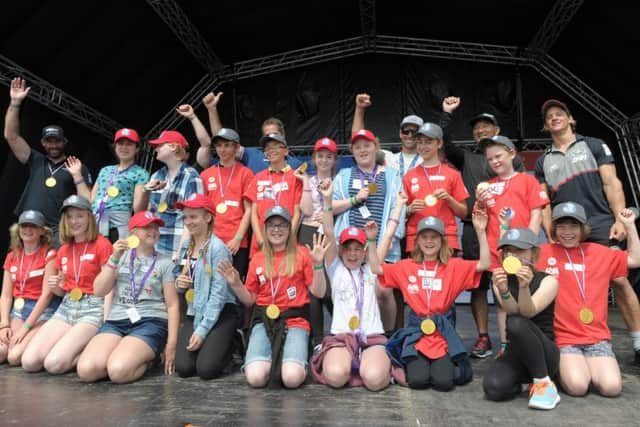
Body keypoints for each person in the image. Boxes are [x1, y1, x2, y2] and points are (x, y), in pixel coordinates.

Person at [535, 98, 640, 364]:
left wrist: (618, 219)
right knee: (562, 284)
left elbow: (611, 182)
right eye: (549, 117)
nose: (554, 118)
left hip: (600, 223)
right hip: (565, 229)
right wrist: (549, 230)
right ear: (546, 127)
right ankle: (570, 343)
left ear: (570, 119)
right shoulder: (542, 161)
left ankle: (638, 343)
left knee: (619, 281)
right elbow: (544, 201)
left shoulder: (593, 145)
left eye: (560, 114)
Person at [440, 97, 526, 359]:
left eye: (485, 126)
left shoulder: (510, 160)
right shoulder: (465, 158)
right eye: (476, 128)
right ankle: (483, 338)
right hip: (473, 230)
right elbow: (443, 140)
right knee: (478, 286)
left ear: (497, 131)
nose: (480, 131)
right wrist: (446, 115)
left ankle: (511, 340)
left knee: (509, 282)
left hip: (505, 230)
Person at [537, 202, 640, 397]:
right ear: (554, 228)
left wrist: (630, 226)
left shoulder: (598, 252)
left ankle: (582, 367)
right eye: (561, 226)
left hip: (597, 338)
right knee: (578, 386)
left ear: (583, 229)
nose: (567, 232)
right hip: (565, 338)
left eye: (574, 226)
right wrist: (505, 225)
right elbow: (512, 257)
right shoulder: (543, 252)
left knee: (611, 388)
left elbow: (635, 259)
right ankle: (562, 368)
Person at [218, 206, 328, 389]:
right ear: (265, 229)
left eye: (282, 225)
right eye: (272, 225)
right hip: (265, 320)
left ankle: (294, 357)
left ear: (289, 228)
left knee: (292, 378)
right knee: (255, 378)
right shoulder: (258, 259)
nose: (277, 230)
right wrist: (236, 284)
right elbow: (249, 300)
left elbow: (319, 292)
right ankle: (274, 358)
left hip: (295, 320)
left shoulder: (302, 254)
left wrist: (318, 266)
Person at [310, 178, 403, 391]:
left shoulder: (371, 266)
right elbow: (330, 231)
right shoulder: (335, 267)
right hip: (342, 337)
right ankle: (347, 361)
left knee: (374, 380)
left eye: (357, 249)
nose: (352, 254)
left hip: (371, 336)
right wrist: (327, 200)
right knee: (335, 377)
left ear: (364, 250)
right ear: (341, 250)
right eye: (348, 248)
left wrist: (398, 206)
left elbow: (387, 235)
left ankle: (371, 363)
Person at [380, 212, 490, 390]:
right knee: (417, 381)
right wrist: (383, 236)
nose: (429, 242)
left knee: (443, 383)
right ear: (417, 241)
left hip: (442, 334)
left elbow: (484, 264)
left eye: (434, 237)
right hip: (417, 334)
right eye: (424, 237)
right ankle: (418, 364)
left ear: (442, 241)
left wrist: (481, 231)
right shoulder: (406, 266)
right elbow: (375, 266)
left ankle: (452, 365)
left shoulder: (454, 266)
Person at [76, 211, 179, 383]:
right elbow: (99, 291)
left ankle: (146, 360)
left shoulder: (165, 263)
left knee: (118, 372)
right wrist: (114, 259)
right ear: (133, 232)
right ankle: (125, 354)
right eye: (147, 227)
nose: (153, 231)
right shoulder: (120, 257)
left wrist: (172, 344)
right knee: (87, 371)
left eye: (155, 227)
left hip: (150, 321)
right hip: (117, 321)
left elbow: (173, 305)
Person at [20, 195, 112, 374]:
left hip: (93, 308)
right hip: (67, 306)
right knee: (29, 362)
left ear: (89, 218)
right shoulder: (63, 250)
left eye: (79, 216)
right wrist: (56, 285)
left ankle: (89, 352)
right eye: (69, 216)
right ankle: (73, 350)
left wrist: (107, 322)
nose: (74, 221)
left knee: (53, 364)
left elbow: (109, 287)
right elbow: (62, 291)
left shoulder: (102, 244)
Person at [475, 135, 549, 357]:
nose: (495, 161)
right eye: (490, 159)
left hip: (524, 251)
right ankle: (507, 346)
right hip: (498, 252)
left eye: (498, 156)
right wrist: (479, 201)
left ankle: (535, 345)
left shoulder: (528, 181)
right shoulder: (486, 186)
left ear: (512, 153)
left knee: (529, 296)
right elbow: (480, 217)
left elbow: (536, 214)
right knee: (502, 300)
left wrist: (529, 246)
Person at [4, 78, 93, 246]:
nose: (53, 145)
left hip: (57, 230)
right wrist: (15, 103)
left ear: (64, 142)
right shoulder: (36, 159)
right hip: (28, 226)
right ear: (43, 143)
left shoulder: (75, 165)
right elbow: (11, 136)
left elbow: (88, 201)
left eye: (57, 141)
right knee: (23, 269)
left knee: (53, 271)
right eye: (49, 141)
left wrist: (77, 176)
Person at [331, 129, 406, 329]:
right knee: (352, 291)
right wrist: (354, 199)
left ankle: (388, 336)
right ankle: (355, 334)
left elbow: (398, 207)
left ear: (376, 147)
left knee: (382, 291)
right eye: (357, 147)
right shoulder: (344, 175)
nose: (362, 150)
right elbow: (330, 206)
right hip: (351, 248)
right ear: (352, 151)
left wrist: (388, 242)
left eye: (367, 145)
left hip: (383, 246)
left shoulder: (392, 175)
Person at [483, 227, 560, 410]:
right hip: (516, 352)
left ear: (533, 254)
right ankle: (526, 384)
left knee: (516, 322)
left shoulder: (548, 281)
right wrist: (503, 290)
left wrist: (524, 287)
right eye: (508, 250)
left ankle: (543, 384)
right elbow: (511, 309)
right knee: (493, 388)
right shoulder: (500, 279)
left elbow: (527, 313)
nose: (513, 255)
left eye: (519, 250)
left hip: (544, 353)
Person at [173, 194, 240, 379]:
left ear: (208, 218)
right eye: (185, 217)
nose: (188, 221)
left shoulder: (218, 249)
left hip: (220, 311)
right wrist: (180, 283)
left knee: (206, 370)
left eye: (193, 216)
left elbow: (218, 295)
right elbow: (181, 278)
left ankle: (232, 342)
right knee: (184, 368)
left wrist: (202, 330)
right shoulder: (187, 245)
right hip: (195, 310)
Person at [293, 137, 339, 348]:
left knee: (332, 283)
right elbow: (308, 211)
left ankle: (340, 329)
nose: (324, 160)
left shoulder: (340, 180)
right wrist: (304, 184)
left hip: (330, 231)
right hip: (309, 231)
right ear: (314, 158)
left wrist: (330, 211)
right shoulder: (308, 180)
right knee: (312, 285)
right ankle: (317, 339)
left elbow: (346, 205)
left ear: (334, 159)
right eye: (320, 156)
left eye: (329, 156)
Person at [0, 210, 60, 365]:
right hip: (19, 310)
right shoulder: (12, 256)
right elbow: (6, 295)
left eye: (33, 226)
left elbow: (47, 295)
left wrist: (26, 327)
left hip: (42, 311)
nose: (27, 230)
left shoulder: (50, 254)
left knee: (14, 357)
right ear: (18, 230)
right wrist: (4, 324)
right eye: (24, 226)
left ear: (41, 231)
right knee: (1, 352)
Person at [192, 92, 301, 173]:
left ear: (283, 135)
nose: (271, 139)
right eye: (267, 136)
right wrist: (212, 109)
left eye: (275, 135)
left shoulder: (296, 164)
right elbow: (223, 138)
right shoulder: (252, 154)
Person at [403, 123, 468, 255]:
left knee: (448, 276)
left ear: (439, 144)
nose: (423, 146)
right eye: (420, 142)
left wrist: (449, 199)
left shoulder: (452, 174)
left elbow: (463, 213)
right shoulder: (409, 176)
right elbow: (399, 213)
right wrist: (409, 209)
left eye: (428, 142)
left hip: (446, 238)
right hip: (416, 239)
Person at [199, 128, 254, 281]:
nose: (222, 149)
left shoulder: (246, 173)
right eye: (219, 145)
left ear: (236, 147)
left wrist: (238, 238)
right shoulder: (206, 174)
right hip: (211, 240)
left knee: (233, 287)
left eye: (227, 145)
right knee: (209, 283)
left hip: (235, 242)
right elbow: (202, 211)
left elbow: (249, 210)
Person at [142, 130, 204, 257]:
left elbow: (195, 218)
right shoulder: (157, 175)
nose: (156, 149)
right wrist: (145, 190)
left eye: (160, 145)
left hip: (175, 247)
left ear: (174, 147)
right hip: (154, 246)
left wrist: (180, 252)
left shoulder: (191, 177)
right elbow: (147, 212)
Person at [245, 133, 303, 256]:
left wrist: (288, 239)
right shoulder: (258, 177)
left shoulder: (296, 177)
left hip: (287, 245)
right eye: (268, 148)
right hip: (261, 246)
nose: (271, 150)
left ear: (286, 151)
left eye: (276, 146)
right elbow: (254, 214)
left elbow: (297, 212)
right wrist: (261, 241)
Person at [91, 128, 149, 242]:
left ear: (137, 148)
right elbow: (92, 198)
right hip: (95, 223)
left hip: (118, 227)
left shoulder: (141, 173)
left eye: (129, 144)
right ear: (115, 146)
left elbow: (138, 209)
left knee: (114, 258)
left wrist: (146, 190)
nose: (124, 147)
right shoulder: (105, 170)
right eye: (120, 144)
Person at [351, 93, 424, 177]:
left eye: (414, 132)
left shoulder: (427, 160)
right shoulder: (388, 157)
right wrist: (360, 109)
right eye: (406, 131)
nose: (410, 135)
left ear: (420, 135)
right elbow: (359, 141)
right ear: (400, 133)